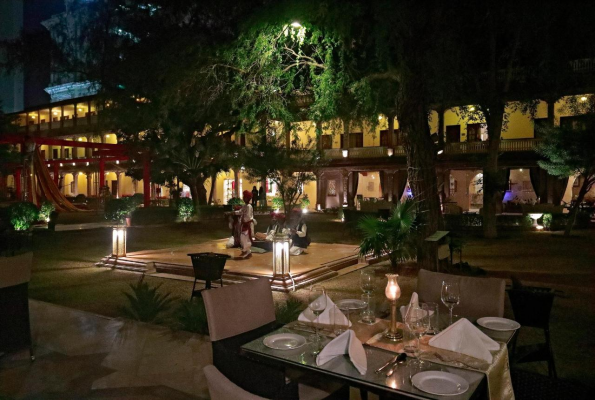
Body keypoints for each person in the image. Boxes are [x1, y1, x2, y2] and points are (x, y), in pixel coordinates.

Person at [235, 190, 255, 258]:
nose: (243, 198)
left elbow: (248, 217)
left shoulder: (249, 206)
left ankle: (246, 251)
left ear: (248, 198)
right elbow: (240, 212)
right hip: (244, 225)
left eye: (245, 197)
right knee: (242, 238)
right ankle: (247, 251)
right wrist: (233, 212)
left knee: (245, 238)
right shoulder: (244, 206)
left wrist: (244, 221)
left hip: (247, 225)